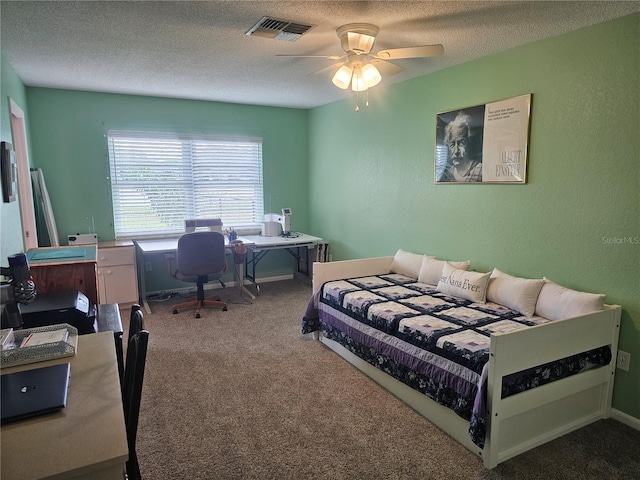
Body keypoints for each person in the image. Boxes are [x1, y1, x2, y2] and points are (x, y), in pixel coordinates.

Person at [438, 112, 482, 182]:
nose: (456, 151)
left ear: (469, 144)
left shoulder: (480, 170)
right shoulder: (447, 175)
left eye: (461, 143)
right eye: (452, 144)